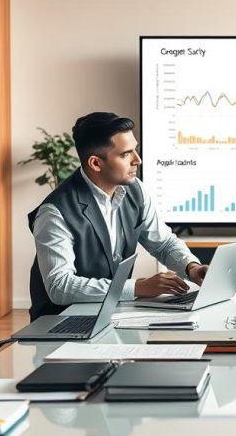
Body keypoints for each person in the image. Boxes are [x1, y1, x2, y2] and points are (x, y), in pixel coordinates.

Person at [28, 112, 208, 320]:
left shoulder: (135, 189)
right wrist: (138, 287)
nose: (137, 160)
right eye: (125, 154)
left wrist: (191, 268)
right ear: (96, 163)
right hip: (61, 323)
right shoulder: (54, 212)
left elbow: (162, 243)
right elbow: (60, 286)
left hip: (110, 314)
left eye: (136, 150)